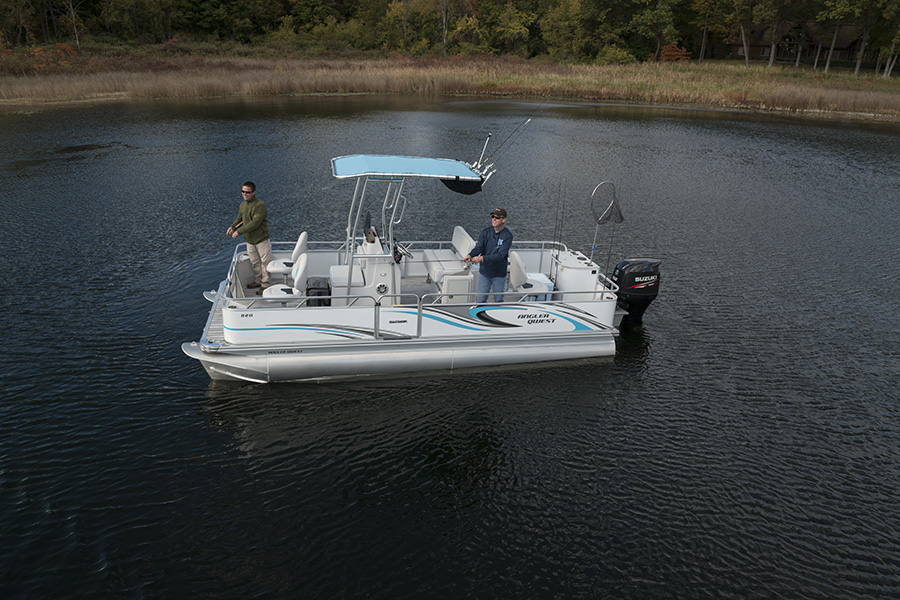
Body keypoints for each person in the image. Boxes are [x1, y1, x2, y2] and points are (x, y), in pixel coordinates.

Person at [227, 181, 271, 295]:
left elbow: (255, 223)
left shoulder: (260, 205)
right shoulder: (242, 205)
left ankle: (265, 285)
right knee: (254, 262)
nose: (244, 194)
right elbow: (239, 219)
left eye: (247, 192)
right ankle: (258, 281)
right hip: (249, 240)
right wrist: (232, 227)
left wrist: (239, 231)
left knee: (265, 262)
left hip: (261, 240)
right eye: (243, 191)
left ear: (254, 192)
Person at [463, 208, 513, 303]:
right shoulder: (485, 232)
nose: (494, 219)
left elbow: (500, 256)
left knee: (498, 300)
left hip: (499, 274)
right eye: (493, 216)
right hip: (485, 273)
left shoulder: (507, 235)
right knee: (481, 299)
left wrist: (481, 258)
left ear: (503, 220)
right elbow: (479, 248)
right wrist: (470, 255)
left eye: (497, 217)